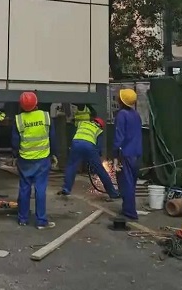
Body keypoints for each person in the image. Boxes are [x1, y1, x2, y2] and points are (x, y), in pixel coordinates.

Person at [12, 91, 58, 229]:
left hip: (25, 160)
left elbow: (15, 141)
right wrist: (54, 155)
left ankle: (23, 219)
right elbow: (52, 137)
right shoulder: (45, 117)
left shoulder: (19, 119)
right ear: (36, 103)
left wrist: (15, 156)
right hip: (42, 159)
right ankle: (41, 221)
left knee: (24, 189)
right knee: (40, 189)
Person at [58, 116, 120, 199]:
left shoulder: (83, 123)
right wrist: (97, 157)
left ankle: (66, 189)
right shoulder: (99, 130)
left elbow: (76, 134)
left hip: (75, 143)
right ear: (100, 125)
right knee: (100, 170)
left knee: (71, 166)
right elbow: (98, 148)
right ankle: (113, 193)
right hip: (89, 146)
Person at [113, 88, 143, 220]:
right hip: (137, 153)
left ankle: (130, 212)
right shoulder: (136, 115)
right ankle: (127, 208)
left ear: (122, 101)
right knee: (132, 182)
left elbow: (119, 137)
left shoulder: (121, 115)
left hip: (126, 154)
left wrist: (115, 157)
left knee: (126, 183)